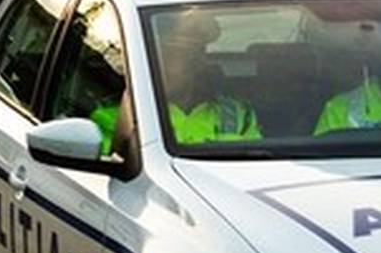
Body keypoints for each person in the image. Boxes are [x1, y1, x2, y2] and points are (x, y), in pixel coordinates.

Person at [91, 11, 260, 152]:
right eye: (155, 55)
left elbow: (254, 166)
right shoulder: (113, 115)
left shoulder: (237, 115)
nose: (158, 65)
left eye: (173, 55)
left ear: (198, 62)